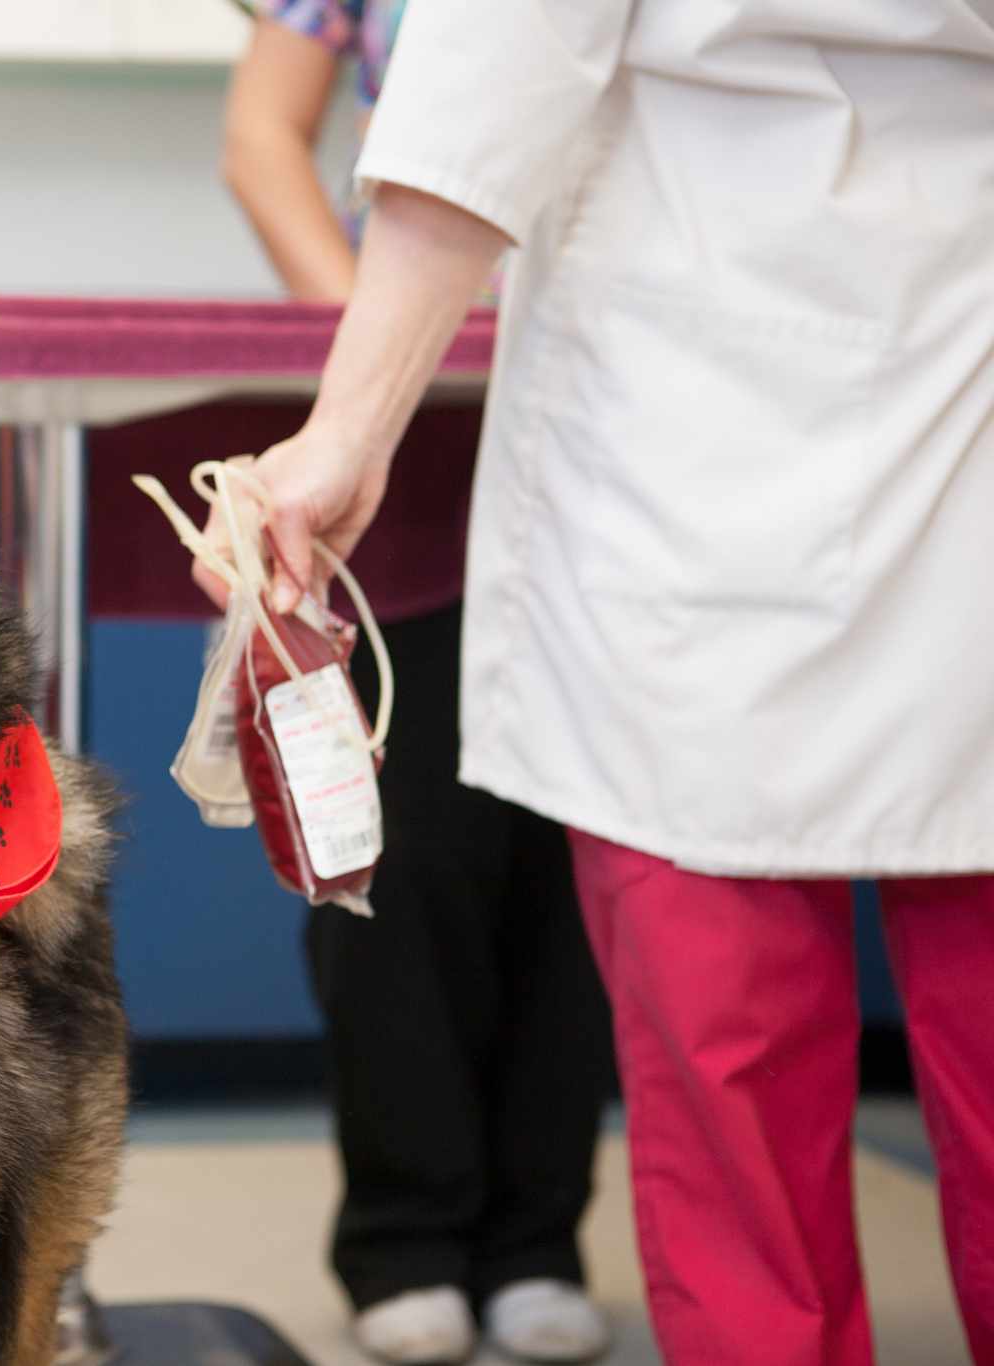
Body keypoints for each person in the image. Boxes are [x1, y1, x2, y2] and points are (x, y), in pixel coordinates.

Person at [204, 1, 994, 1363]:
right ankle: (445, 1234)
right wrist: (352, 426)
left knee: (742, 1074)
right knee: (711, 1024)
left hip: (760, 417)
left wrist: (350, 425)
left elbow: (494, 70)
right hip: (714, 409)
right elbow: (475, 85)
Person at [210, 6, 612, 1363]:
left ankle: (538, 1233)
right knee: (392, 834)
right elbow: (262, 134)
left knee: (587, 850)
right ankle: (405, 1231)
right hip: (417, 428)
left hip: (625, 421)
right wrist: (380, 363)